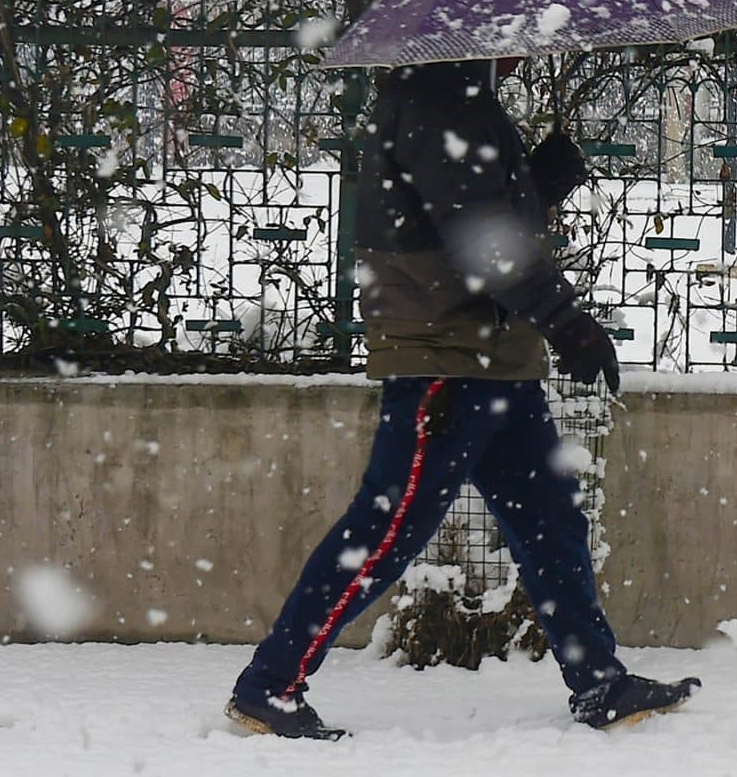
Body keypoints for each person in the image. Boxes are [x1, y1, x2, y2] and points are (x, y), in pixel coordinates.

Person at [225, 56, 695, 739]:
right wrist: (570, 325)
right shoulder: (436, 105)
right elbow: (483, 245)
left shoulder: (463, 101)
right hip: (442, 360)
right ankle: (270, 685)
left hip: (493, 359)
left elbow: (478, 219)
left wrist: (540, 181)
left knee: (551, 523)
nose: (530, 47)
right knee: (384, 532)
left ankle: (598, 681)